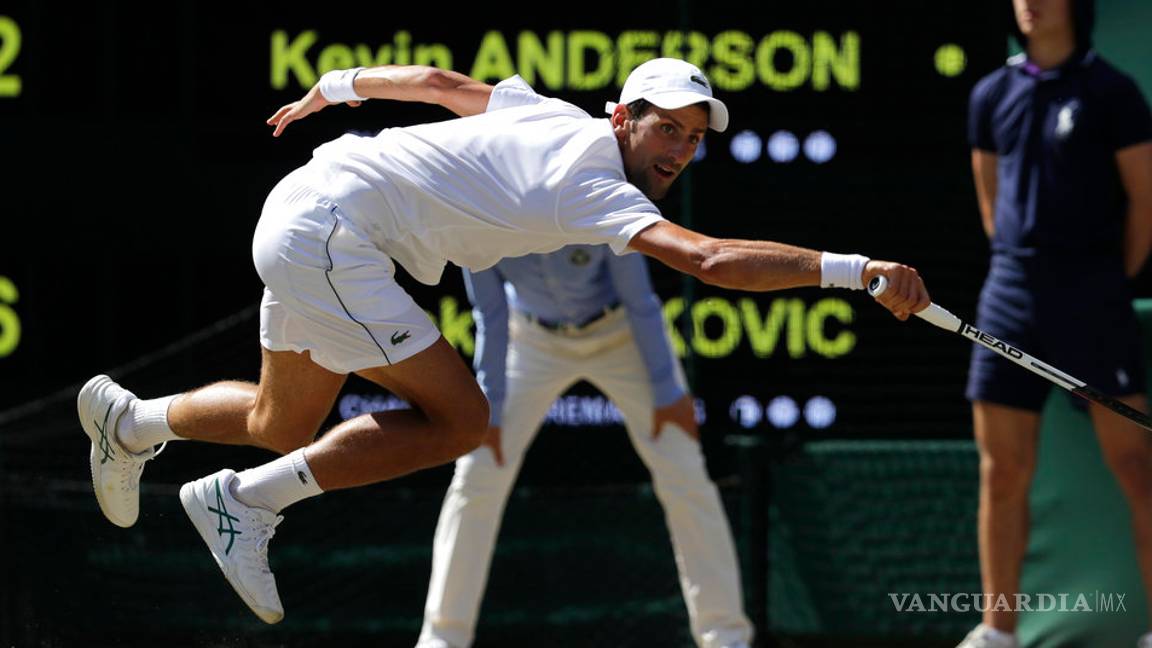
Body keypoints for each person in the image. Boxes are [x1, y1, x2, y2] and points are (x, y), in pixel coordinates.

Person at [77, 57, 931, 625]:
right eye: (666, 127)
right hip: (336, 237)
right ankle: (246, 503)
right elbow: (706, 258)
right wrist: (855, 270)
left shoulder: (552, 117)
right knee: (460, 421)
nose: (681, 148)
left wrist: (334, 87)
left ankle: (130, 423)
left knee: (278, 420)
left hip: (309, 201)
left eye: (694, 136)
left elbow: (441, 81)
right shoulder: (591, 184)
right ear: (624, 117)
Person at [415, 245, 753, 648]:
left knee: (685, 472)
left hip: (621, 332)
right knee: (476, 474)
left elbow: (639, 298)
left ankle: (726, 638)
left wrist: (667, 391)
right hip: (530, 340)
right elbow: (490, 314)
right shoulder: (479, 209)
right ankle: (441, 640)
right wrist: (492, 410)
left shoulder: (590, 187)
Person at [956, 1, 1152, 647]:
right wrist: (1025, 272)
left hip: (1094, 296)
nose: (1029, 1)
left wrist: (1101, 284)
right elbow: (990, 206)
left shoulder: (1113, 92)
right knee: (1002, 473)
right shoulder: (991, 94)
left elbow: (1145, 204)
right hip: (1009, 297)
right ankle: (997, 634)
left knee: (1138, 468)